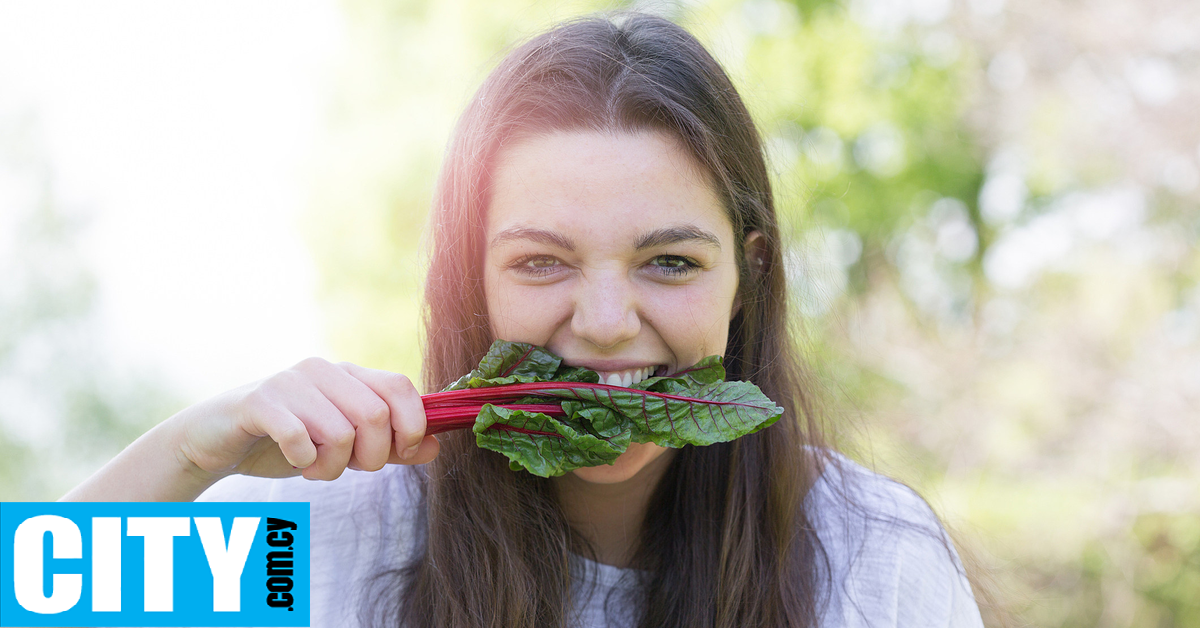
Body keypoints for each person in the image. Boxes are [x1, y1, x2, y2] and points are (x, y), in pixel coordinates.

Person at [65, 12, 986, 628]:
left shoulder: (871, 559)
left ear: (749, 272)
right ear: (473, 282)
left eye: (670, 262)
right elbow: (36, 593)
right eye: (542, 262)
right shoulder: (320, 535)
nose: (606, 320)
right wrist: (198, 452)